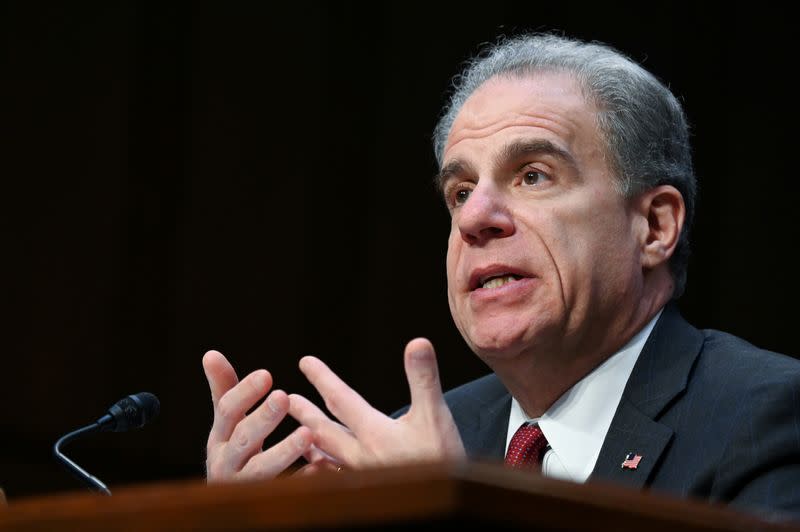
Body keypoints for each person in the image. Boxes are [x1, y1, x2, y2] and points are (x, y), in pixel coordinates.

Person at [202, 32, 800, 521]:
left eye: (532, 175)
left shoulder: (764, 419)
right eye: (459, 191)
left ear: (654, 226)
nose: (475, 218)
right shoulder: (420, 441)